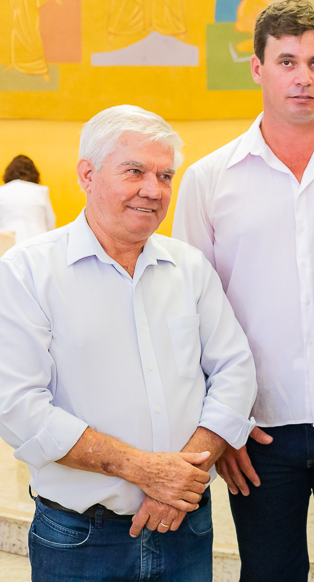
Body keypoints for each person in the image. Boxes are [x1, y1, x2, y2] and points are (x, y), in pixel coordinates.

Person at [173, 0, 314, 582]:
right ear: (257, 68)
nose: (303, 77)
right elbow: (190, 314)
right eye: (287, 61)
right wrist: (222, 427)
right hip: (258, 428)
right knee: (269, 574)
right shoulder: (209, 179)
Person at [0, 105, 258, 581]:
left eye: (164, 175)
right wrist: (143, 470)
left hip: (186, 528)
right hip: (79, 540)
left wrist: (179, 477)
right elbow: (17, 407)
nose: (152, 190)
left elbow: (235, 372)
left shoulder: (191, 268)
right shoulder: (27, 272)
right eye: (134, 171)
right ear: (87, 174)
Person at [0, 154, 56, 244]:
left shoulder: (1, 191)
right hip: (37, 245)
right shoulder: (41, 191)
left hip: (8, 248)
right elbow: (50, 223)